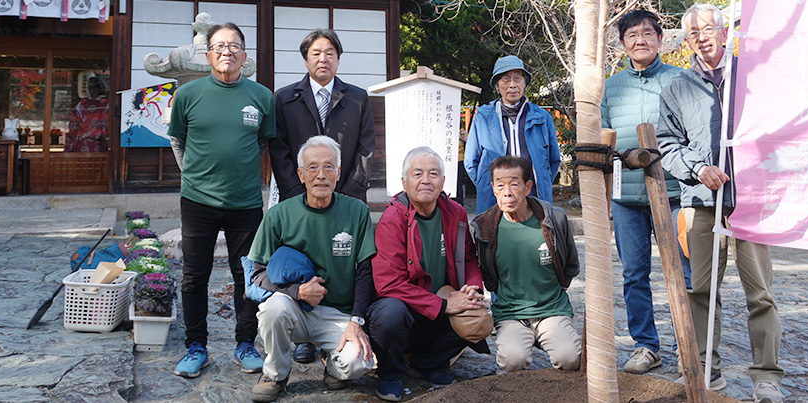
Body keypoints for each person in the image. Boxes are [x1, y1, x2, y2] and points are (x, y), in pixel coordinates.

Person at [657, 4, 785, 403]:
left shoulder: (754, 77)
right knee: (701, 291)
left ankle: (767, 377)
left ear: (725, 33)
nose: (702, 38)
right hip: (701, 201)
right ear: (686, 42)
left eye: (708, 29)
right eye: (693, 33)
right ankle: (704, 373)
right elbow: (667, 144)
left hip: (750, 199)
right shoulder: (677, 87)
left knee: (760, 293)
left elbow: (780, 128)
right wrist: (697, 168)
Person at [168, 22, 278, 379]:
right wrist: (192, 174)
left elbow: (262, 141)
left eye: (233, 46)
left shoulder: (261, 96)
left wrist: (239, 170)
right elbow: (177, 140)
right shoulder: (188, 94)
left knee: (247, 275)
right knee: (194, 276)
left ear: (244, 56)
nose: (226, 51)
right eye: (219, 46)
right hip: (197, 200)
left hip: (245, 202)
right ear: (208, 54)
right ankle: (195, 346)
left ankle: (245, 344)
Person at [268, 28, 376, 364]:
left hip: (345, 198)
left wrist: (348, 195)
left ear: (338, 59)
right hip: (299, 198)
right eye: (316, 53)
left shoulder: (357, 98)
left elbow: (366, 150)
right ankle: (305, 337)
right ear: (305, 59)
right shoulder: (285, 98)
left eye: (330, 53)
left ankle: (340, 324)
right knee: (301, 259)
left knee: (342, 260)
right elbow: (279, 150)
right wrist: (297, 194)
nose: (323, 59)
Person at [247, 136, 377, 402]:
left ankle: (333, 366)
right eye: (313, 167)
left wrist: (356, 321)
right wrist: (297, 291)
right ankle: (275, 374)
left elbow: (366, 271)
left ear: (338, 172)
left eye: (329, 167)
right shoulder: (279, 215)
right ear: (301, 174)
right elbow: (258, 274)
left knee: (359, 363)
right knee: (272, 309)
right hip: (295, 309)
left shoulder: (357, 211)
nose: (321, 175)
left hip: (338, 312)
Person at [600, 8, 691, 374]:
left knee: (683, 273)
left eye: (647, 34)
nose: (640, 41)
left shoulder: (680, 79)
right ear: (622, 44)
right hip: (627, 199)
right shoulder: (611, 87)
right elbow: (602, 139)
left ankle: (689, 346)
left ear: (660, 39)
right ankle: (645, 346)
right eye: (632, 35)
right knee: (634, 274)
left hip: (674, 193)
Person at [367, 146, 487, 402]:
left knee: (479, 317)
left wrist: (473, 288)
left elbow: (469, 257)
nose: (425, 180)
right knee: (389, 312)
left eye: (433, 174)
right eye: (417, 173)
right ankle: (390, 374)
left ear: (443, 180)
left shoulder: (455, 212)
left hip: (442, 302)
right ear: (404, 182)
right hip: (406, 310)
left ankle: (428, 363)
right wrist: (443, 305)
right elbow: (388, 283)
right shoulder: (393, 218)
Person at [471, 155, 580, 373]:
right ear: (493, 189)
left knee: (570, 359)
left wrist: (556, 292)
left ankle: (548, 335)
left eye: (514, 184)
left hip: (552, 310)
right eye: (500, 186)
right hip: (511, 313)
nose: (507, 193)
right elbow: (486, 275)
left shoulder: (554, 219)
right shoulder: (483, 227)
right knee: (514, 361)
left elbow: (570, 264)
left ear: (528, 187)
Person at [464, 55, 561, 213]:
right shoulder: (483, 117)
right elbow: (470, 162)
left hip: (533, 196)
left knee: (535, 228)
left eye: (517, 78)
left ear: (524, 83)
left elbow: (554, 159)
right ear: (497, 85)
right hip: (494, 199)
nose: (512, 85)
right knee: (495, 229)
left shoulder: (542, 117)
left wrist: (541, 183)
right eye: (506, 79)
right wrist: (487, 186)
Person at [64, 76, 109, 152]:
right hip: (84, 138)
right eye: (91, 88)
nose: (93, 90)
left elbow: (108, 119)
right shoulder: (82, 103)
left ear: (99, 89)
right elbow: (75, 117)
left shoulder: (105, 103)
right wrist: (81, 125)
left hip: (99, 138)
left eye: (95, 88)